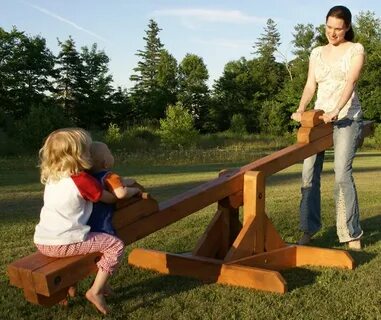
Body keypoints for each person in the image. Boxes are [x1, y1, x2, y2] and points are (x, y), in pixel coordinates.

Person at [291, 5, 365, 250]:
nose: (332, 33)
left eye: (338, 29)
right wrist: (302, 109)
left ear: (348, 28)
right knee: (308, 173)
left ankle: (350, 233)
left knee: (342, 174)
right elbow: (311, 84)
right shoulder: (316, 52)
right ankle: (308, 229)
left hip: (345, 117)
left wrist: (337, 110)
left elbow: (351, 81)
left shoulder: (355, 50)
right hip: (319, 119)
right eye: (329, 27)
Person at [33, 128, 125, 315]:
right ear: (78, 155)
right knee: (114, 245)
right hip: (64, 242)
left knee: (92, 240)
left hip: (42, 241)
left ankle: (77, 286)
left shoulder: (53, 176)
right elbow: (110, 198)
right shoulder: (81, 180)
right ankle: (95, 290)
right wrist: (120, 189)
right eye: (87, 150)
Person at [87, 141, 141, 236]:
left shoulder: (88, 179)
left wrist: (126, 181)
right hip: (103, 225)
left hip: (87, 224)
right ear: (105, 162)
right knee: (114, 244)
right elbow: (121, 193)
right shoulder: (110, 177)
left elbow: (118, 183)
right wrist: (135, 190)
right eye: (109, 152)